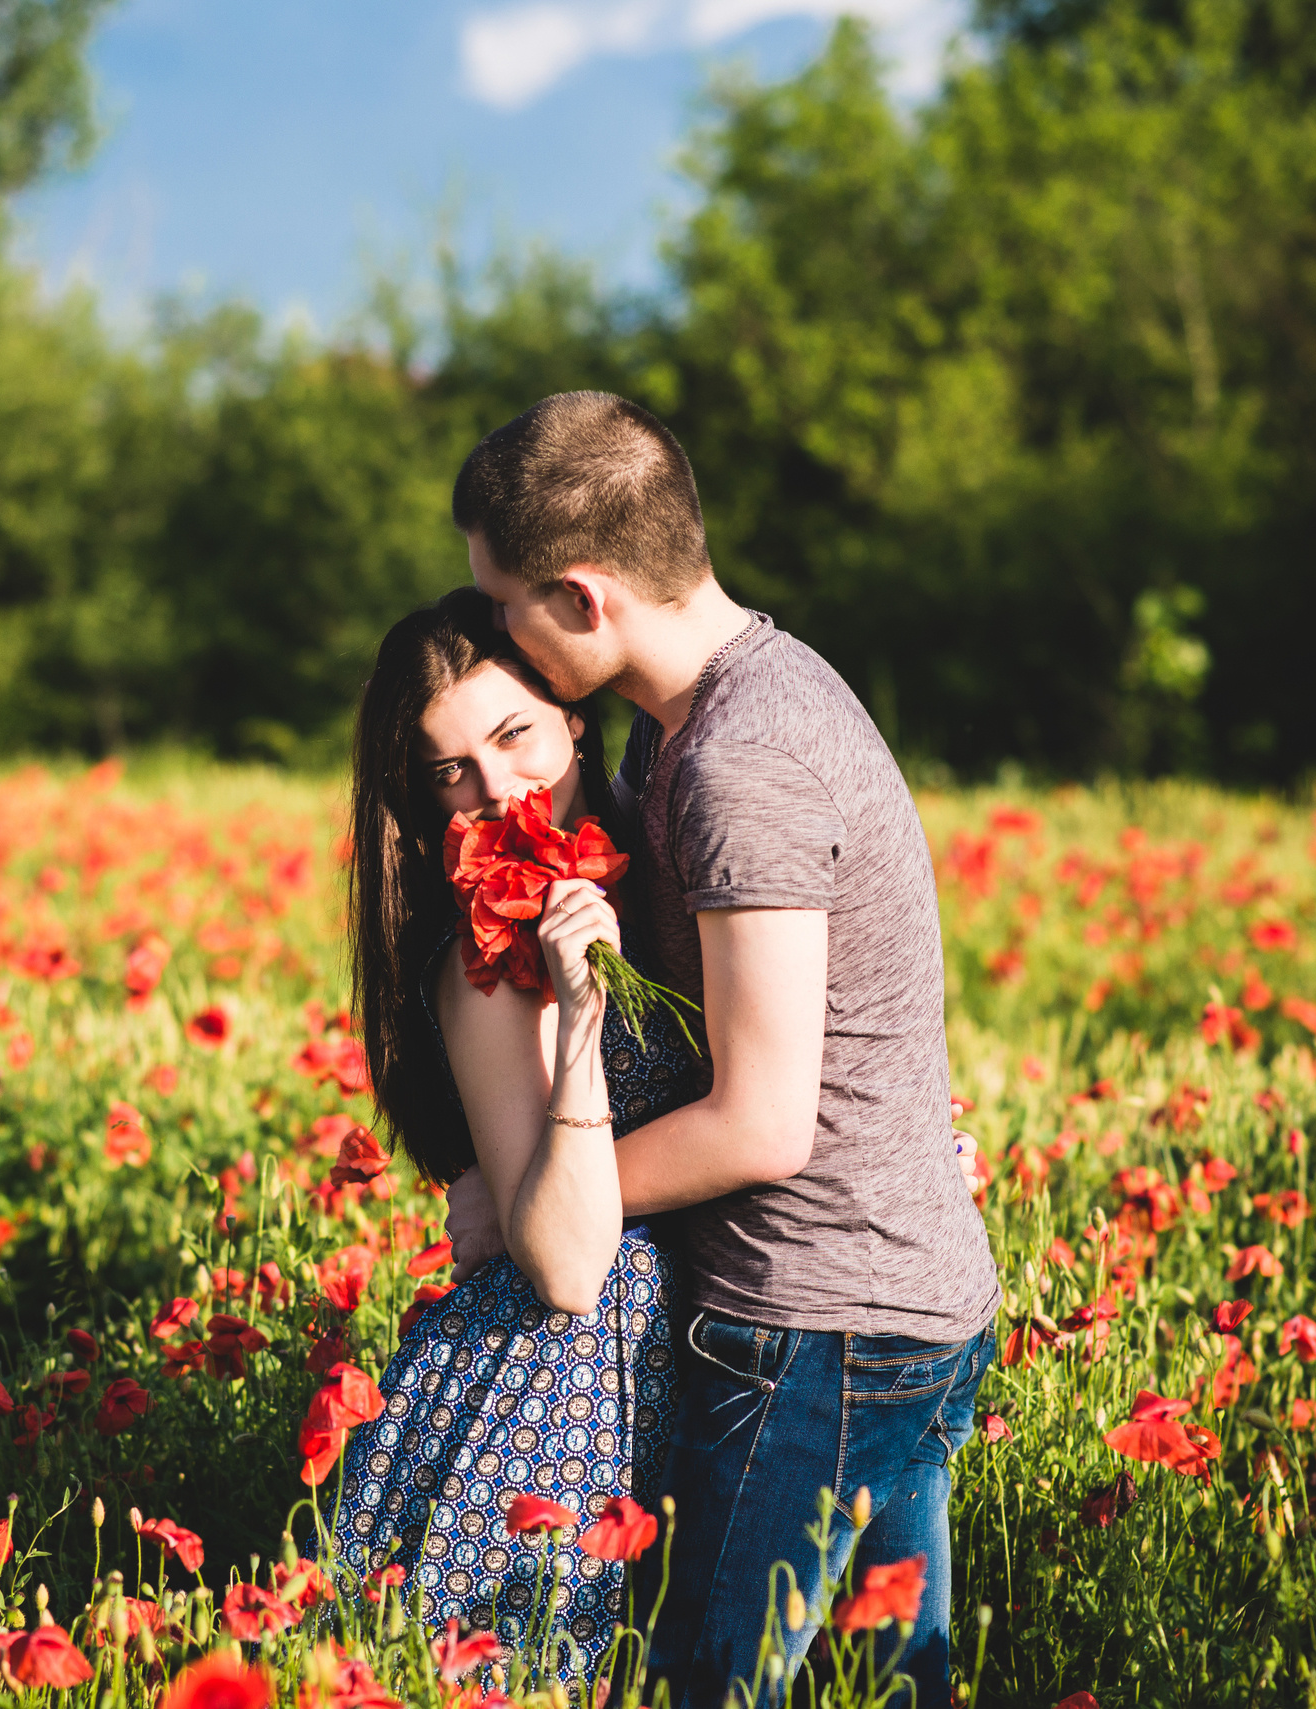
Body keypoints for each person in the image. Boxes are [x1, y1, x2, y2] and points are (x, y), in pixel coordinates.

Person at [440, 391, 1001, 1709]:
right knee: (889, 1685)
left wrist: (539, 1204)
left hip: (818, 1323)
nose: (495, 636)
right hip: (884, 1294)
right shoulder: (704, 711)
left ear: (582, 599)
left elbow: (762, 1121)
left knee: (710, 1684)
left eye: (506, 604)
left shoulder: (741, 757)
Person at [331, 588, 711, 1678]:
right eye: (449, 768)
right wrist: (580, 1014)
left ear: (574, 719)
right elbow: (566, 1263)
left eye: (513, 736)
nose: (494, 789)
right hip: (550, 1401)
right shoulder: (483, 967)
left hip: (677, 1368)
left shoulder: (675, 871)